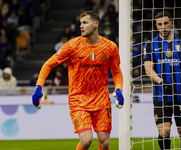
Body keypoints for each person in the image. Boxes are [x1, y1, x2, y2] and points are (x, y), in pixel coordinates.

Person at [32, 11, 124, 150]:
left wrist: (119, 89)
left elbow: (117, 72)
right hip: (79, 99)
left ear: (96, 24)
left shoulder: (110, 47)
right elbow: (48, 64)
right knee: (86, 141)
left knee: (104, 143)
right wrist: (38, 87)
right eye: (80, 23)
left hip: (101, 98)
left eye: (85, 22)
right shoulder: (72, 46)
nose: (81, 26)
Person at [143, 11, 181, 150]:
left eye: (166, 23)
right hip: (161, 96)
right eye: (160, 24)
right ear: (156, 26)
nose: (164, 27)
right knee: (164, 132)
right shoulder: (150, 45)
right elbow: (148, 70)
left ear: (171, 23)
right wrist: (162, 82)